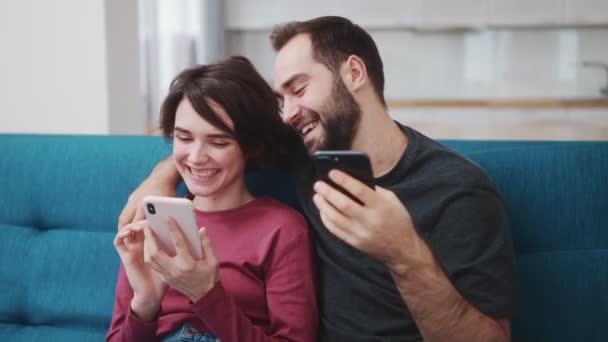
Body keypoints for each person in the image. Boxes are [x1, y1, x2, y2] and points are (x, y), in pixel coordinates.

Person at [119, 16, 518, 341]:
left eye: (299, 89)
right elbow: (220, 142)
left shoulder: (457, 190)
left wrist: (404, 253)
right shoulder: (304, 150)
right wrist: (161, 177)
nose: (289, 112)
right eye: (282, 100)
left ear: (354, 72)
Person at [107, 56, 318, 341]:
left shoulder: (282, 229)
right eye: (184, 138)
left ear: (251, 146)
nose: (196, 158)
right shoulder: (152, 220)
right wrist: (145, 304)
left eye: (218, 142)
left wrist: (205, 294)